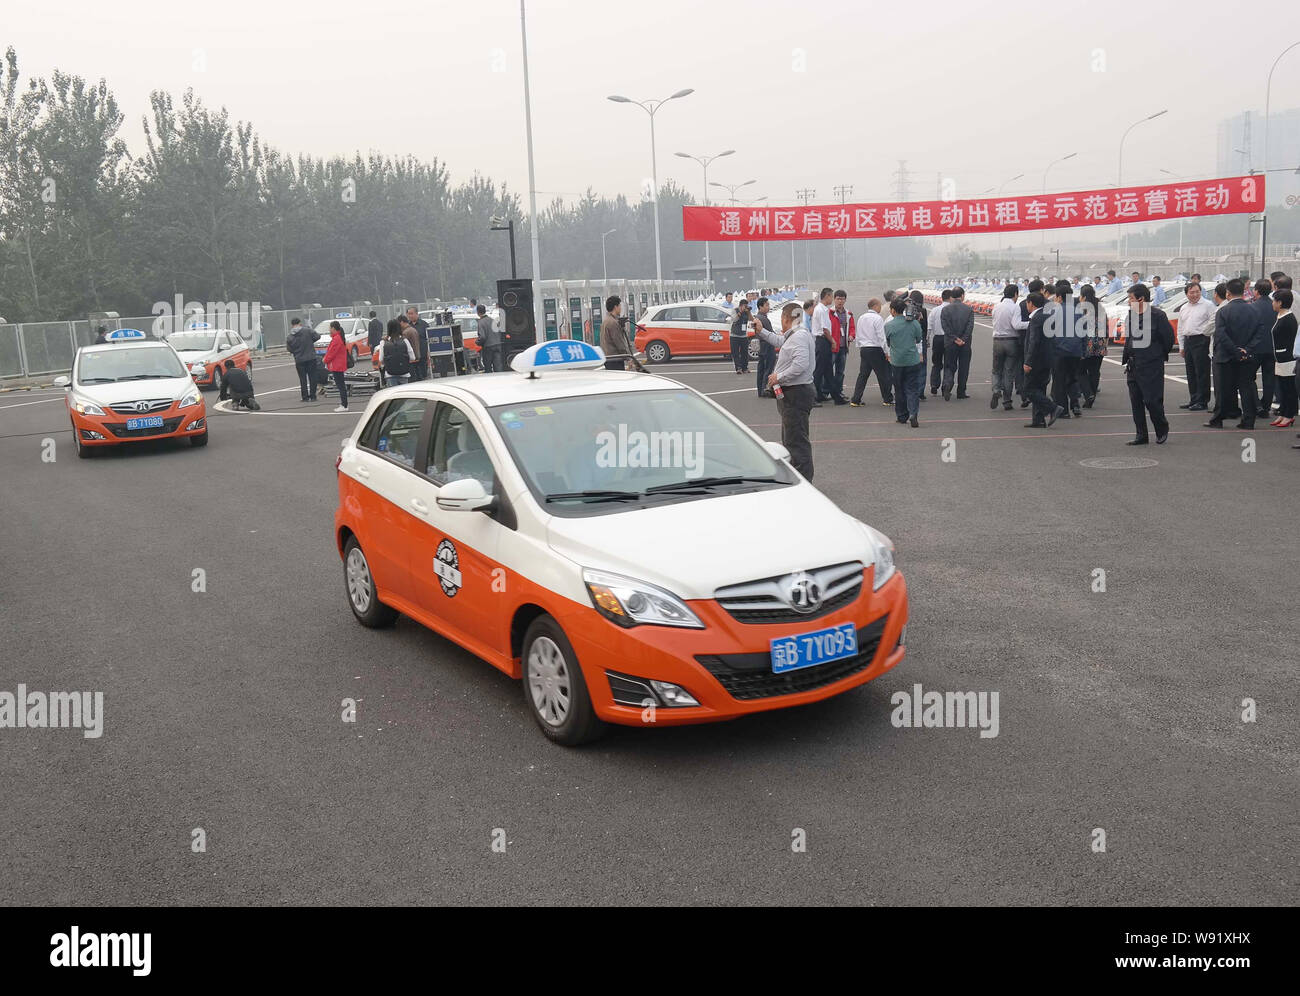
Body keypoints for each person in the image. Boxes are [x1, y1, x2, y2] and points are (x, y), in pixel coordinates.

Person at [764, 302, 816, 479]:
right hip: (794, 393)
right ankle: (799, 478)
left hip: (796, 393)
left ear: (786, 318)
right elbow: (780, 341)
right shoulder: (796, 334)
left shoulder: (799, 336)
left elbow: (801, 364)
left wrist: (779, 376)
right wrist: (761, 331)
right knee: (791, 439)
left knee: (796, 442)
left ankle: (804, 482)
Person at [1122, 283, 1174, 445]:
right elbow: (1129, 339)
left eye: (1131, 298)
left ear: (1141, 299)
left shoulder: (1158, 315)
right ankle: (1141, 435)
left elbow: (1168, 339)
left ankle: (1161, 428)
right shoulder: (1131, 315)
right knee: (1136, 402)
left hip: (1151, 365)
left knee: (1152, 400)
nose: (1129, 301)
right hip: (1133, 365)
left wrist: (1155, 355)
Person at [1206, 278, 1259, 429]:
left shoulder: (1223, 311)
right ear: (1243, 292)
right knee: (1246, 388)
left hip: (1225, 356)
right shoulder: (1254, 310)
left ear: (1228, 293)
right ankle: (1248, 420)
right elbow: (1259, 333)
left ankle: (1218, 419)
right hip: (1247, 356)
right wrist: (1246, 349)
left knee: (1223, 389)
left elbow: (1221, 335)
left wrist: (1234, 350)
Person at [1022, 292, 1063, 428]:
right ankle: (1038, 419)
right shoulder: (1047, 316)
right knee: (1039, 388)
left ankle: (1053, 408)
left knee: (1028, 389)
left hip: (1037, 360)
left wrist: (1028, 361)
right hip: (1047, 358)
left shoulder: (1037, 318)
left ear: (1031, 303)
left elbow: (1033, 342)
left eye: (1027, 303)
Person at [885, 297, 924, 427]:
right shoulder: (914, 323)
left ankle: (901, 416)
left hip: (897, 362)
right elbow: (919, 339)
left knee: (899, 389)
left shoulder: (889, 325)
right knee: (912, 389)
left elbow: (888, 342)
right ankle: (913, 413)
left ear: (892, 310)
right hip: (912, 360)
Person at [1176, 282, 1214, 411]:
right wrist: (1181, 345)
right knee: (1190, 372)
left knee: (1202, 372)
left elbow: (1213, 324)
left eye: (1197, 291)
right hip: (1188, 341)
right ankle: (1193, 399)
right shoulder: (1184, 308)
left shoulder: (1208, 305)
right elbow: (1180, 328)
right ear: (1186, 294)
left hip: (1202, 340)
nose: (1195, 295)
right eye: (1192, 292)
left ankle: (1202, 400)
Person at [1050, 281, 1084, 419]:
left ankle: (1063, 410)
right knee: (1072, 378)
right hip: (1075, 350)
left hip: (1060, 350)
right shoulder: (1079, 311)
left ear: (1058, 297)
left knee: (1059, 381)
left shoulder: (1054, 310)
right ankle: (1075, 405)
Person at [990, 284, 1027, 411]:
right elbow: (1016, 325)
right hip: (1011, 341)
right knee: (1009, 372)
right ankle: (1007, 401)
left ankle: (996, 389)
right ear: (1015, 294)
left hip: (997, 340)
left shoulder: (996, 306)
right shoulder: (1015, 307)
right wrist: (1030, 323)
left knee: (996, 369)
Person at [849, 298, 892, 407]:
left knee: (863, 375)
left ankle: (856, 399)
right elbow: (881, 337)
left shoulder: (862, 317)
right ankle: (887, 398)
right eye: (879, 305)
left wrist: (860, 347)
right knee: (883, 375)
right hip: (875, 349)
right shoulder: (878, 318)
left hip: (864, 349)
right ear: (876, 306)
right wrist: (886, 351)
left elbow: (858, 335)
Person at [939, 286, 973, 399]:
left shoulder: (945, 310)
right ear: (962, 295)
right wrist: (962, 339)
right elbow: (969, 327)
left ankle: (947, 385)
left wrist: (954, 338)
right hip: (965, 343)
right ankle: (961, 391)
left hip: (950, 342)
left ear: (952, 296)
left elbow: (945, 327)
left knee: (949, 366)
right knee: (964, 367)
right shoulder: (968, 309)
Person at [1250, 279, 1276, 419]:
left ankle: (1257, 405)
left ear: (1257, 291)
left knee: (1248, 377)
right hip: (1271, 348)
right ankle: (1266, 406)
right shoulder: (1274, 306)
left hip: (1255, 348)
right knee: (1269, 378)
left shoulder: (1253, 307)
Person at [1270, 289, 1296, 428]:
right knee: (1282, 388)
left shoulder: (1289, 318)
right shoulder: (1280, 316)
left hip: (1287, 358)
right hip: (1279, 358)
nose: (1272, 303)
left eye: (1274, 301)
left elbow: (1290, 340)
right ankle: (1283, 412)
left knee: (1288, 388)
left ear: (1280, 302)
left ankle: (1289, 415)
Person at [1077, 283, 1106, 407]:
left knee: (1081, 371)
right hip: (1100, 343)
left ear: (1083, 296)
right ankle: (1092, 394)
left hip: (1087, 343)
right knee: (1095, 371)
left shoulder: (1083, 309)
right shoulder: (1100, 308)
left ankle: (1088, 393)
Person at [828, 290, 853, 404]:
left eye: (842, 299)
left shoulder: (848, 314)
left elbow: (852, 328)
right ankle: (824, 392)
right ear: (834, 299)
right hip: (832, 347)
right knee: (827, 371)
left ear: (845, 300)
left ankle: (839, 391)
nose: (840, 301)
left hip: (843, 347)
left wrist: (852, 336)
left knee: (840, 371)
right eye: (838, 298)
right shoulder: (829, 312)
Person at [286, 317, 320, 402]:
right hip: (311, 357)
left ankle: (304, 397)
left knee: (302, 379)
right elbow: (317, 336)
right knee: (312, 377)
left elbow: (289, 349)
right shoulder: (307, 330)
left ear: (292, 325)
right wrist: (310, 341)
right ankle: (313, 396)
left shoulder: (290, 336)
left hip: (299, 359)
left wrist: (296, 351)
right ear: (300, 323)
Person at [811, 287, 835, 402]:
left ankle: (824, 395)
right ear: (827, 296)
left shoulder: (822, 309)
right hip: (822, 341)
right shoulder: (821, 310)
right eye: (832, 296)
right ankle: (814, 396)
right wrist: (833, 341)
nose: (832, 299)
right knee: (819, 371)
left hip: (822, 341)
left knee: (827, 370)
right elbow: (825, 330)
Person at [377, 320, 415, 385]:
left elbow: (380, 359)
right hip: (404, 373)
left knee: (393, 393)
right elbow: (412, 358)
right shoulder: (405, 341)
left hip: (390, 374)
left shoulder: (383, 342)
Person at [323, 320, 350, 412]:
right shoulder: (338, 337)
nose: (329, 330)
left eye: (330, 328)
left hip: (337, 365)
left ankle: (344, 405)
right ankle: (344, 404)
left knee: (341, 385)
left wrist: (325, 360)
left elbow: (331, 353)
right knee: (341, 385)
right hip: (338, 365)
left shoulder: (336, 339)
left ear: (333, 328)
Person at [753, 297, 777, 398]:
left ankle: (760, 389)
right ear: (760, 307)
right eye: (766, 305)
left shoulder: (758, 317)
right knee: (768, 368)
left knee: (761, 368)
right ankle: (764, 389)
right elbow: (770, 333)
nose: (768, 307)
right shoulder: (763, 318)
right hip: (767, 345)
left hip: (762, 346)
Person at [600, 295, 633, 371]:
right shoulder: (613, 323)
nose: (621, 308)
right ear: (615, 307)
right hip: (614, 359)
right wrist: (628, 358)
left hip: (608, 358)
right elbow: (619, 343)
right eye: (620, 305)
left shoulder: (606, 320)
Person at [928, 288, 950, 395]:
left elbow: (929, 326)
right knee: (948, 364)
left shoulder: (935, 310)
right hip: (949, 338)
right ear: (950, 298)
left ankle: (934, 384)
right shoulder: (951, 309)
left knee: (936, 363)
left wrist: (928, 338)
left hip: (937, 338)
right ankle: (945, 387)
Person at [476, 304, 502, 373]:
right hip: (498, 345)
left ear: (478, 312)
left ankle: (490, 381)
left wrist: (477, 342)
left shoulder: (480, 323)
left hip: (488, 347)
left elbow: (482, 337)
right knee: (498, 367)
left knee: (488, 367)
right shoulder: (493, 320)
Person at [405, 306, 430, 380]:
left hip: (422, 354)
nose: (410, 316)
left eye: (411, 314)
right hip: (411, 356)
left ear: (417, 314)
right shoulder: (407, 326)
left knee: (423, 375)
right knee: (413, 377)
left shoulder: (424, 325)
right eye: (408, 314)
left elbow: (428, 339)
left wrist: (428, 353)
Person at [729, 297, 752, 375]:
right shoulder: (735, 310)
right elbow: (734, 319)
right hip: (734, 335)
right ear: (741, 305)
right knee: (735, 353)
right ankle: (738, 368)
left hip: (743, 335)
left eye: (747, 306)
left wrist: (749, 312)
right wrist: (740, 312)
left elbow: (751, 319)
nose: (746, 307)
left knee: (744, 353)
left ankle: (745, 368)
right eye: (745, 306)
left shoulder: (746, 312)